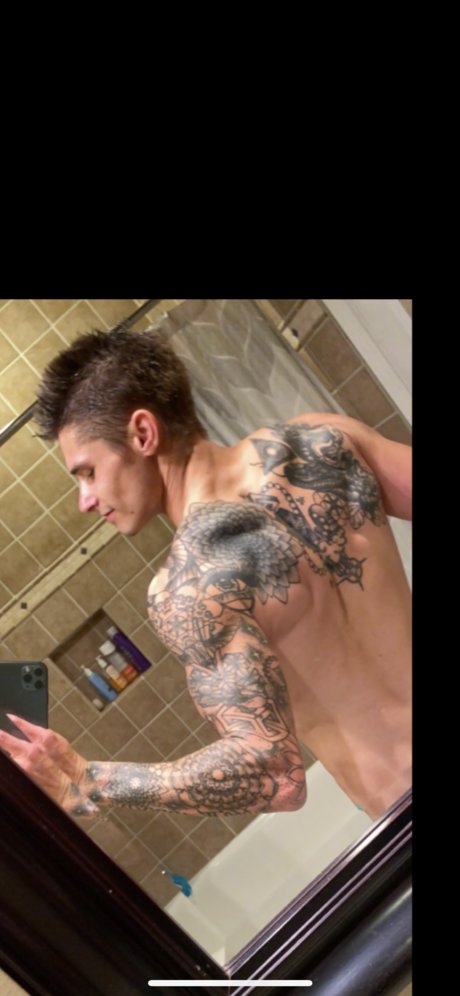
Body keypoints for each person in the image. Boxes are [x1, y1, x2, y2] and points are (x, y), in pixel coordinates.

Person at [0, 329, 412, 822]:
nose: (85, 501)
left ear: (143, 433)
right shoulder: (322, 440)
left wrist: (91, 782)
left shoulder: (191, 583)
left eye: (88, 472)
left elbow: (273, 777)